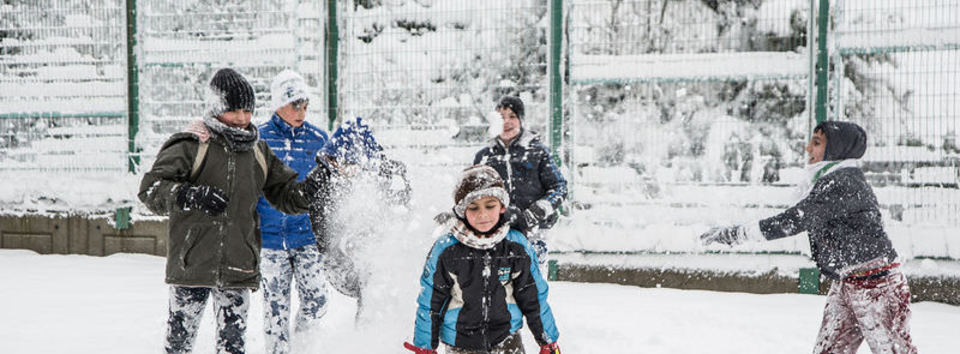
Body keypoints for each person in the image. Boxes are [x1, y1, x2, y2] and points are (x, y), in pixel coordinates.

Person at [138, 68, 331, 354]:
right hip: (192, 264)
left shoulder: (257, 151)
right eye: (234, 111)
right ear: (216, 109)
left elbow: (287, 195)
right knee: (179, 344)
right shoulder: (192, 145)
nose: (242, 119)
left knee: (233, 346)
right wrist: (190, 194)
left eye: (247, 111)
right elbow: (151, 189)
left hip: (238, 266)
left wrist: (314, 186)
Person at [700, 121, 917, 354]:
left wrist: (735, 234)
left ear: (836, 149)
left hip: (877, 285)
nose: (808, 148)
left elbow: (793, 220)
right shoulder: (831, 179)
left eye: (816, 143)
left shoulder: (843, 183)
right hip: (848, 280)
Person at [403, 165, 561, 354]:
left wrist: (548, 341)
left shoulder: (516, 245)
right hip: (460, 343)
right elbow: (430, 302)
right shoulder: (447, 250)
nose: (483, 214)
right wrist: (425, 346)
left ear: (502, 206)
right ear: (462, 211)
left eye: (490, 205)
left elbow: (534, 297)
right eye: (473, 207)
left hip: (507, 339)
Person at [307, 117, 411, 321]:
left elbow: (401, 213)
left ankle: (375, 327)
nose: (348, 170)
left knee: (375, 280)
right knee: (368, 277)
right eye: (341, 162)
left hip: (377, 253)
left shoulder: (386, 174)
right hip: (339, 260)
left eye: (354, 163)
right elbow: (319, 225)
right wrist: (339, 247)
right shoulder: (320, 180)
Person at [256, 70, 330, 354]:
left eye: (305, 104)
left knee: (317, 299)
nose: (301, 111)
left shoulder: (318, 139)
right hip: (271, 241)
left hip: (307, 237)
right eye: (294, 104)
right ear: (278, 105)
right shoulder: (259, 139)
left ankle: (303, 346)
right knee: (275, 309)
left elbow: (329, 187)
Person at [474, 96, 567, 264]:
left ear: (521, 120)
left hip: (535, 230)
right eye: (501, 117)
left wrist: (536, 211)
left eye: (512, 116)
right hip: (498, 230)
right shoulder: (485, 156)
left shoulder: (538, 152)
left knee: (531, 280)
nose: (507, 122)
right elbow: (474, 193)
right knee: (500, 282)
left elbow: (559, 187)